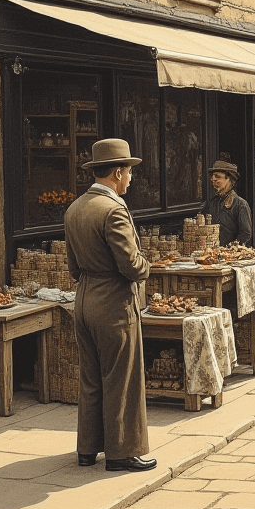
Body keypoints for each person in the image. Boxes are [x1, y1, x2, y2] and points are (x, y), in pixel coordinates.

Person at [64, 138, 155, 472]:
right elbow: (131, 266)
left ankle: (87, 449)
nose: (131, 178)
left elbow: (72, 268)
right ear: (118, 172)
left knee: (91, 379)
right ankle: (121, 453)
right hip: (113, 303)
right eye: (129, 172)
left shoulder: (75, 208)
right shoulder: (113, 209)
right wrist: (147, 266)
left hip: (84, 300)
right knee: (121, 378)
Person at [203, 159, 252, 246]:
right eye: (212, 176)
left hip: (231, 255)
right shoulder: (211, 203)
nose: (213, 179)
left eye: (217, 177)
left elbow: (245, 233)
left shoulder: (240, 204)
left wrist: (231, 248)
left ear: (229, 180)